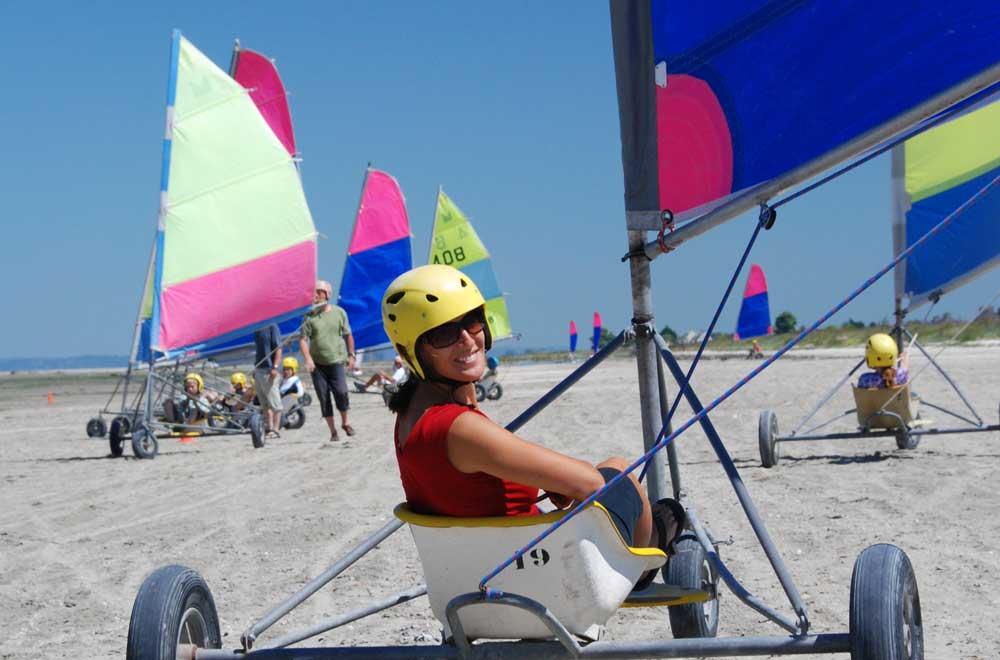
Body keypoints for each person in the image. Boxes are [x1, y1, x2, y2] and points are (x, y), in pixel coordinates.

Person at [382, 265, 684, 591]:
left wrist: (548, 480)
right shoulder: (460, 427)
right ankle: (638, 570)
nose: (468, 341)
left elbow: (468, 483)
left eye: (472, 322)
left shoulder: (409, 418)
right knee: (620, 471)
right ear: (412, 352)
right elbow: (591, 483)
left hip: (467, 584)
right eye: (444, 334)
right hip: (536, 582)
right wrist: (564, 482)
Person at [300, 279, 357, 441]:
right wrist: (308, 360)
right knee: (324, 398)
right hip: (317, 365)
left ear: (327, 295)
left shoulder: (339, 313)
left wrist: (351, 355)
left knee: (341, 392)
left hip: (336, 361)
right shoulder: (309, 316)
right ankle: (333, 431)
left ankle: (345, 423)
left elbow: (348, 335)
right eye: (314, 292)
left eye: (319, 291)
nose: (315, 295)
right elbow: (303, 340)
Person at [254, 323, 283, 439]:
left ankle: (276, 429)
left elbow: (278, 348)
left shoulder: (272, 326)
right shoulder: (255, 327)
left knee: (274, 402)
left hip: (269, 369)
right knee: (264, 402)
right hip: (259, 368)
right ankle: (269, 427)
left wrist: (275, 367)